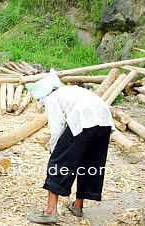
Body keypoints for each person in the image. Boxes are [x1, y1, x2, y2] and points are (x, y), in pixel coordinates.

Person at [26, 70, 115, 224]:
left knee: (58, 163)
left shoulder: (52, 98)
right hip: (104, 120)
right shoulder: (70, 91)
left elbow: (56, 130)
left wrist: (55, 153)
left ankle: (50, 212)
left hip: (84, 119)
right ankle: (78, 205)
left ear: (43, 96)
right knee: (89, 161)